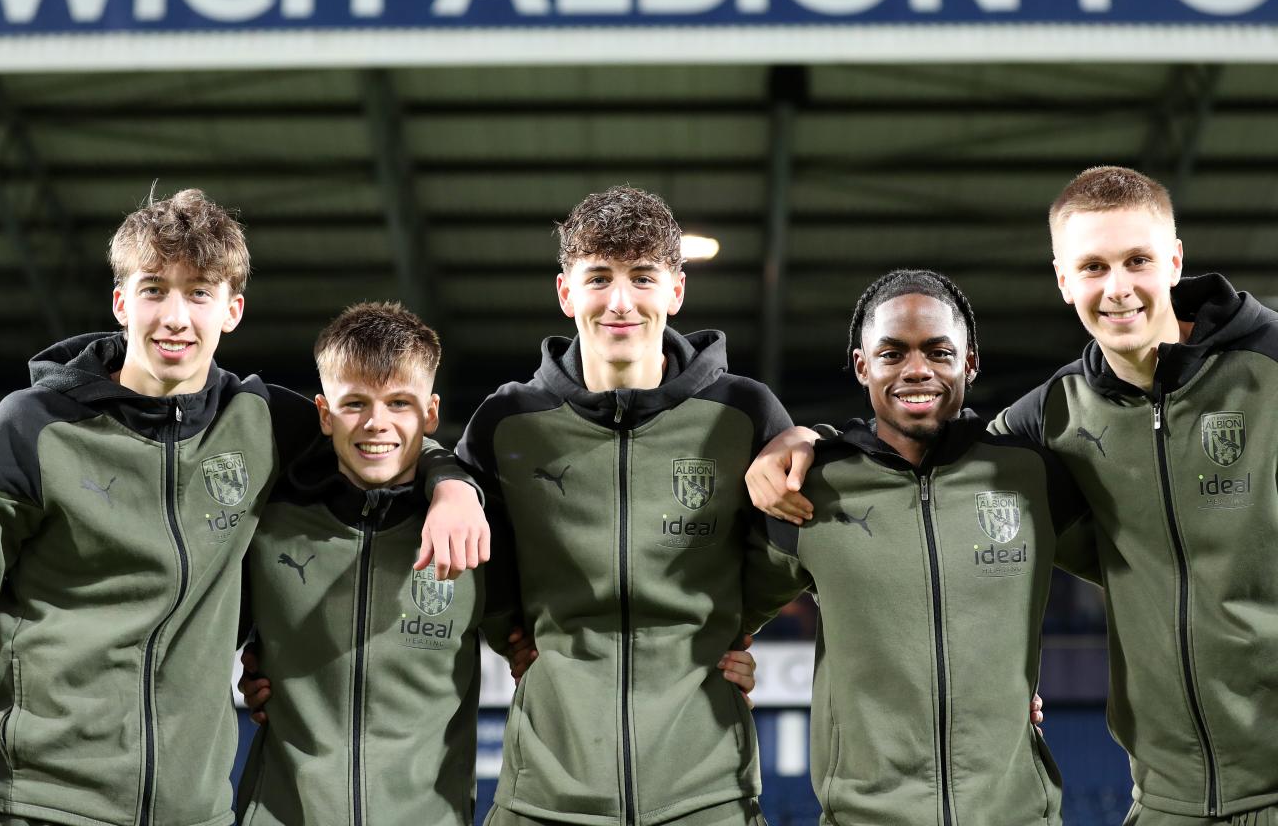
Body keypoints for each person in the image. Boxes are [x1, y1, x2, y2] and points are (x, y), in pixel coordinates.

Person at [749, 168, 1278, 826]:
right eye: (1093, 266)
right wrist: (803, 438)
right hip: (1170, 798)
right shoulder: (1052, 419)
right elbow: (928, 463)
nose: (1117, 288)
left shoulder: (1269, 364)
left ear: (1174, 260)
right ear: (1064, 279)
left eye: (1137, 260)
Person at [0, 190, 485, 826]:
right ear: (121, 303)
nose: (175, 317)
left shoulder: (262, 421)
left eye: (199, 293)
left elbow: (381, 437)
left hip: (193, 809)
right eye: (154, 290)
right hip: (44, 799)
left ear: (233, 310)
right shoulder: (32, 427)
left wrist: (453, 484)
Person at [457, 186, 793, 826]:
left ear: (676, 291)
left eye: (642, 277)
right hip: (545, 794)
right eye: (598, 278)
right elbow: (456, 533)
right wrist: (507, 632)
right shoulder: (507, 421)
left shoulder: (744, 412)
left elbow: (797, 536)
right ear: (566, 293)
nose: (620, 301)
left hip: (706, 791)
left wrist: (733, 627)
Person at [745, 269, 1085, 826]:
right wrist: (727, 665)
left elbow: (1138, 569)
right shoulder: (811, 488)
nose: (917, 370)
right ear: (863, 366)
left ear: (969, 362)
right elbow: (717, 615)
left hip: (1017, 814)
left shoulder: (1030, 476)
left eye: (938, 352)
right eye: (892, 353)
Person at [236, 301, 508, 826]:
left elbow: (540, 648)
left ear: (430, 413)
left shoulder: (477, 533)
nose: (376, 423)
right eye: (355, 403)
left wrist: (453, 482)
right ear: (324, 413)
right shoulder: (267, 521)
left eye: (399, 403)